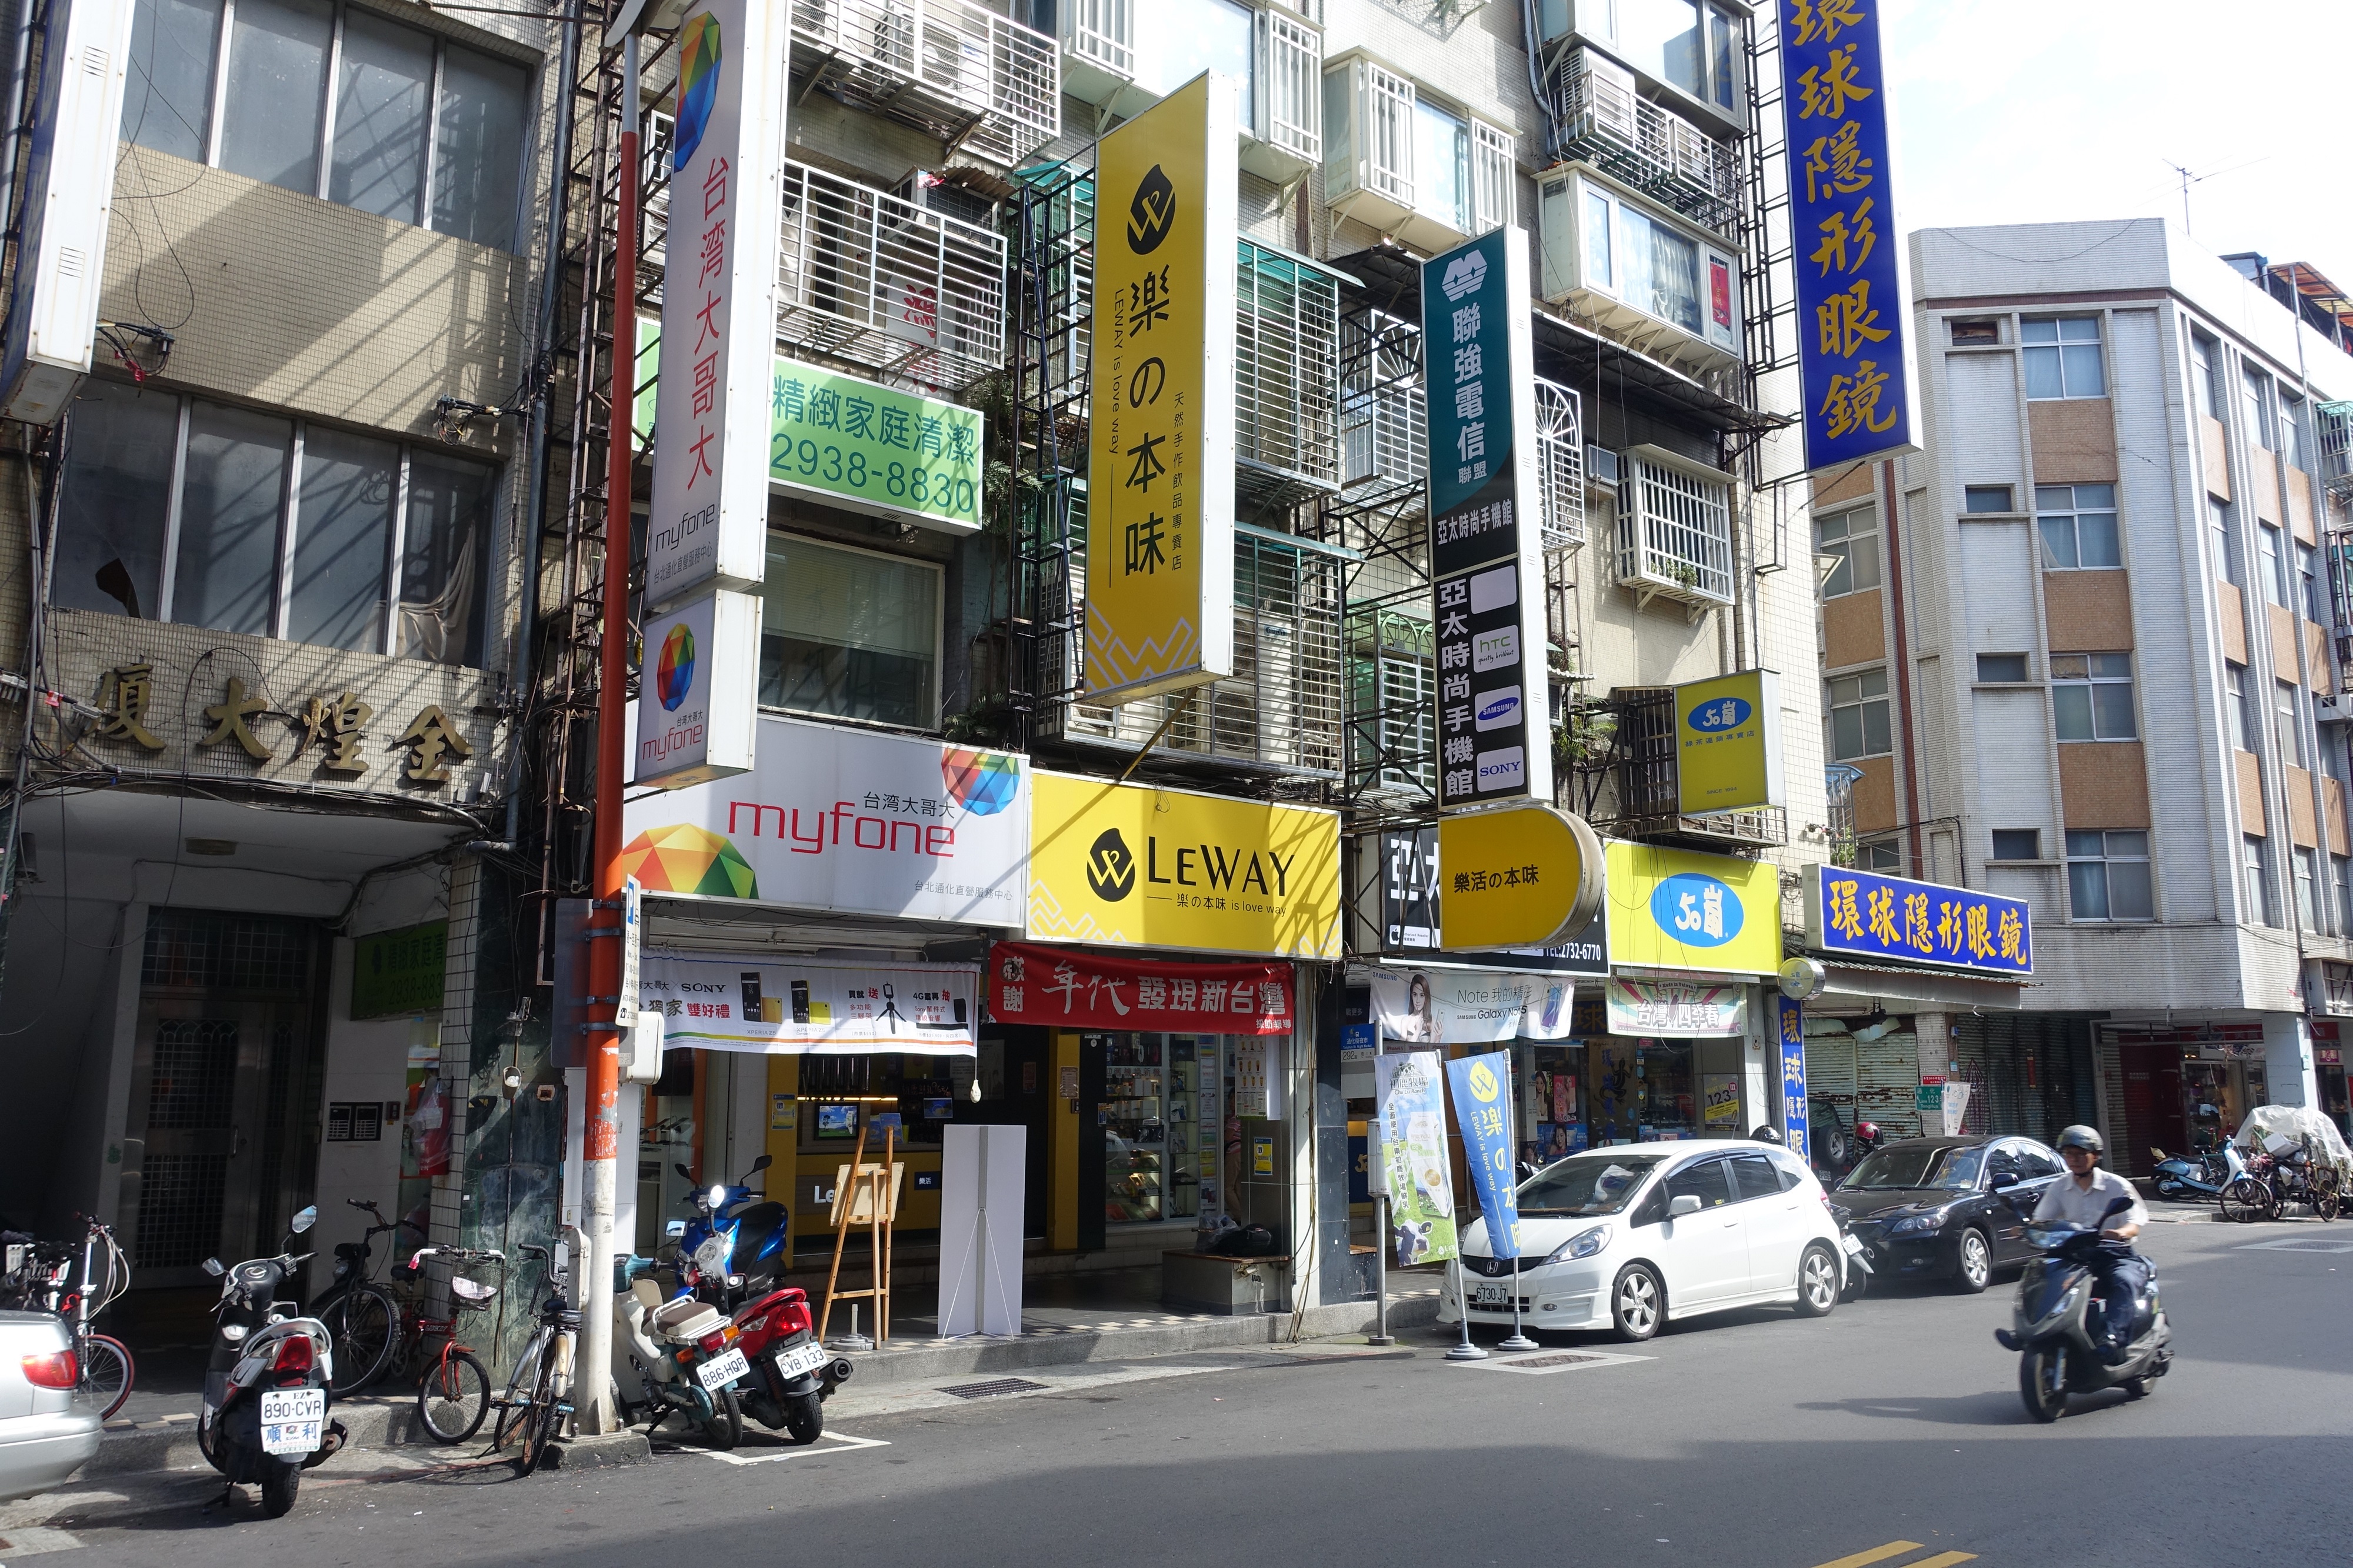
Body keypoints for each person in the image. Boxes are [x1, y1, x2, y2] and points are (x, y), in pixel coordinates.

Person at [2030, 1124, 2149, 1363]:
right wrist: (2027, 1230)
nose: (2074, 1160)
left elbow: (2134, 1222)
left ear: (2095, 1156)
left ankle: (2113, 1337)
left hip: (2113, 1254)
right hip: (2074, 1255)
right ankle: (2029, 1331)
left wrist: (2121, 1233)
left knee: (2124, 1281)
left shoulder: (2117, 1185)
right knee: (2040, 1279)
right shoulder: (2060, 1187)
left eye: (2080, 1154)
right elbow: (2041, 1220)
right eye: (2069, 1154)